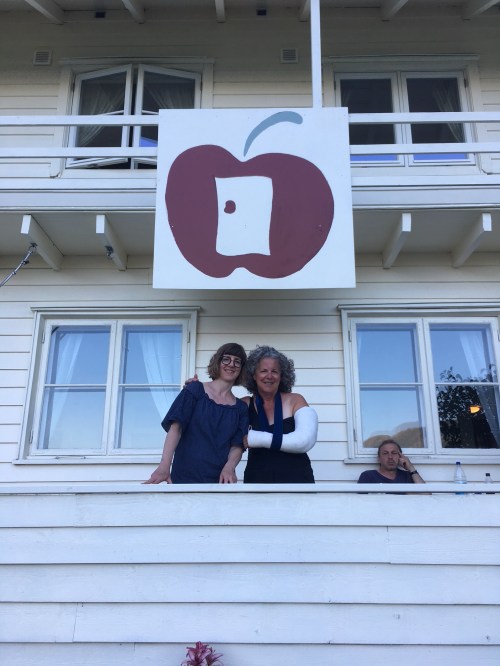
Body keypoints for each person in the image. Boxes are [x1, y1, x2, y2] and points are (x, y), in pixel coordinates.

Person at [144, 342, 249, 484]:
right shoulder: (195, 390)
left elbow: (237, 446)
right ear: (217, 362)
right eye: (226, 359)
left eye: (237, 361)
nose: (231, 364)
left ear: (242, 368)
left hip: (219, 483)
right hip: (184, 477)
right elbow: (176, 429)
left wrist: (230, 467)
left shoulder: (241, 408)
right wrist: (164, 466)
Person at [242, 345, 317, 484]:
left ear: (282, 376)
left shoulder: (295, 400)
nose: (269, 376)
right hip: (258, 481)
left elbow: (305, 440)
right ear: (253, 375)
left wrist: (257, 438)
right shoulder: (244, 404)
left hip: (298, 480)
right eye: (263, 371)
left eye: (275, 371)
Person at [357, 439, 425, 485]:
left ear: (400, 456)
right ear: (379, 458)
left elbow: (425, 494)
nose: (390, 457)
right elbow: (360, 500)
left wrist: (411, 467)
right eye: (385, 453)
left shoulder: (408, 476)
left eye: (394, 453)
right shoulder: (368, 476)